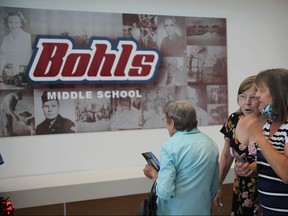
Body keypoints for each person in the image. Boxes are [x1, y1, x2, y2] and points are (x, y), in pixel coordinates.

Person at [143, 100, 219, 215]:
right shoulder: (211, 144)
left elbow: (164, 192)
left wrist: (154, 174)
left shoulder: (169, 147)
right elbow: (213, 188)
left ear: (172, 123)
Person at [235, 68, 288, 215]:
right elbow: (269, 164)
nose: (257, 96)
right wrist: (249, 169)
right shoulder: (268, 124)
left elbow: (286, 173)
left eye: (261, 90)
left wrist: (259, 137)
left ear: (277, 93)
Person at [214, 75, 264, 216]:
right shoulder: (233, 120)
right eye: (243, 96)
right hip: (241, 190)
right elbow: (226, 155)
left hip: (265, 190)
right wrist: (218, 185)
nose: (247, 103)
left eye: (253, 97)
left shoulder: (270, 122)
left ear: (261, 98)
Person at [0, 10, 32, 80]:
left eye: (16, 22)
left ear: (21, 23)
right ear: (7, 24)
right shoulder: (6, 39)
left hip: (25, 73)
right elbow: (2, 58)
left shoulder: (28, 37)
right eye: (10, 22)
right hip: (9, 74)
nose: (13, 25)